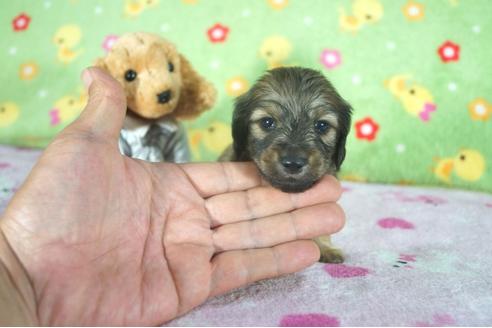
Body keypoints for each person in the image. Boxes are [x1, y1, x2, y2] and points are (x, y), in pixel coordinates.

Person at [0, 68, 345, 326]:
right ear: (241, 130)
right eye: (267, 123)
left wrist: (320, 243)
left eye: (321, 127)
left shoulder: (323, 171)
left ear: (340, 138)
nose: (295, 155)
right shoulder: (236, 164)